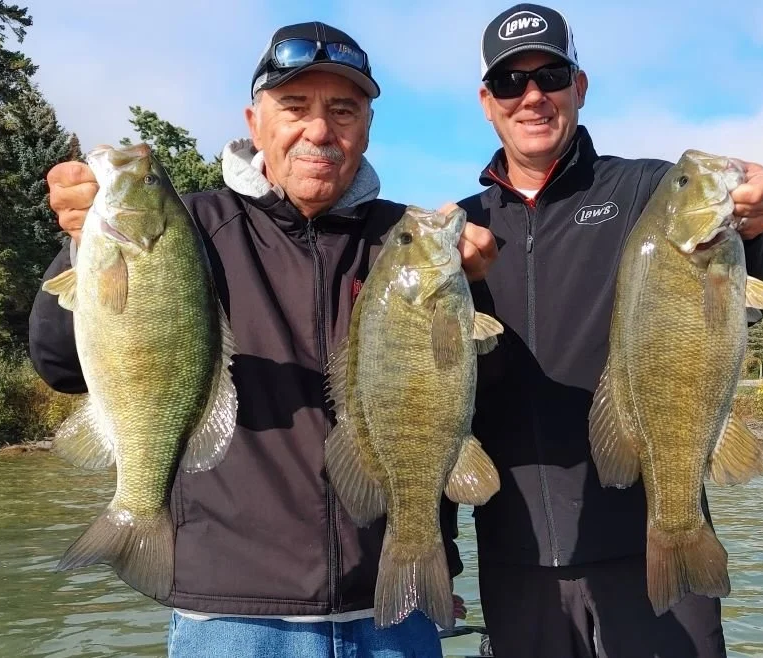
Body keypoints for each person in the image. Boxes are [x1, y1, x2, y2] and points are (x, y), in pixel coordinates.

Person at [29, 21, 494, 658]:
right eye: (294, 107)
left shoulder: (401, 244)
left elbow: (460, 398)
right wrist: (83, 243)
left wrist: (472, 287)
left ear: (366, 126)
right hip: (230, 618)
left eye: (343, 110)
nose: (319, 131)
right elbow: (59, 362)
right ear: (255, 121)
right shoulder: (189, 228)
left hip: (392, 609)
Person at [458, 4, 763, 657]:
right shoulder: (460, 228)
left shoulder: (647, 191)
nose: (532, 97)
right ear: (486, 102)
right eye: (510, 83)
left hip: (646, 544)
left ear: (579, 86)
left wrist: (756, 218)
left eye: (550, 75)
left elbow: (734, 298)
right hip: (516, 563)